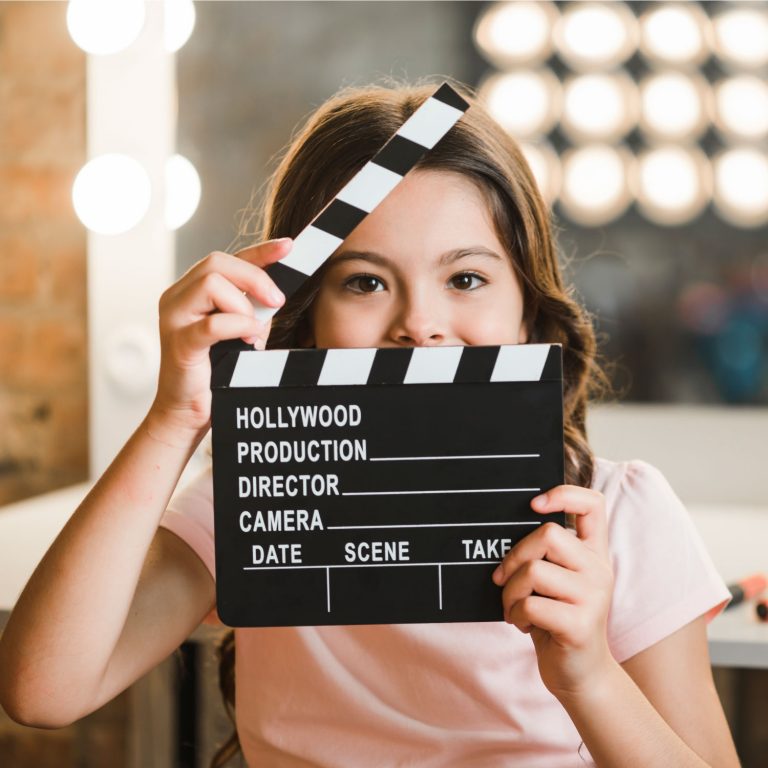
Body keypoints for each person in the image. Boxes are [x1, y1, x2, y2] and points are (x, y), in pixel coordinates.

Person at [0, 79, 740, 768]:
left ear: (527, 309)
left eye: (467, 278)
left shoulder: (621, 519)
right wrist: (175, 417)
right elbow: (44, 691)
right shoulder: (262, 500)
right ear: (306, 317)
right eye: (364, 282)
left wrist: (589, 678)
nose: (419, 324)